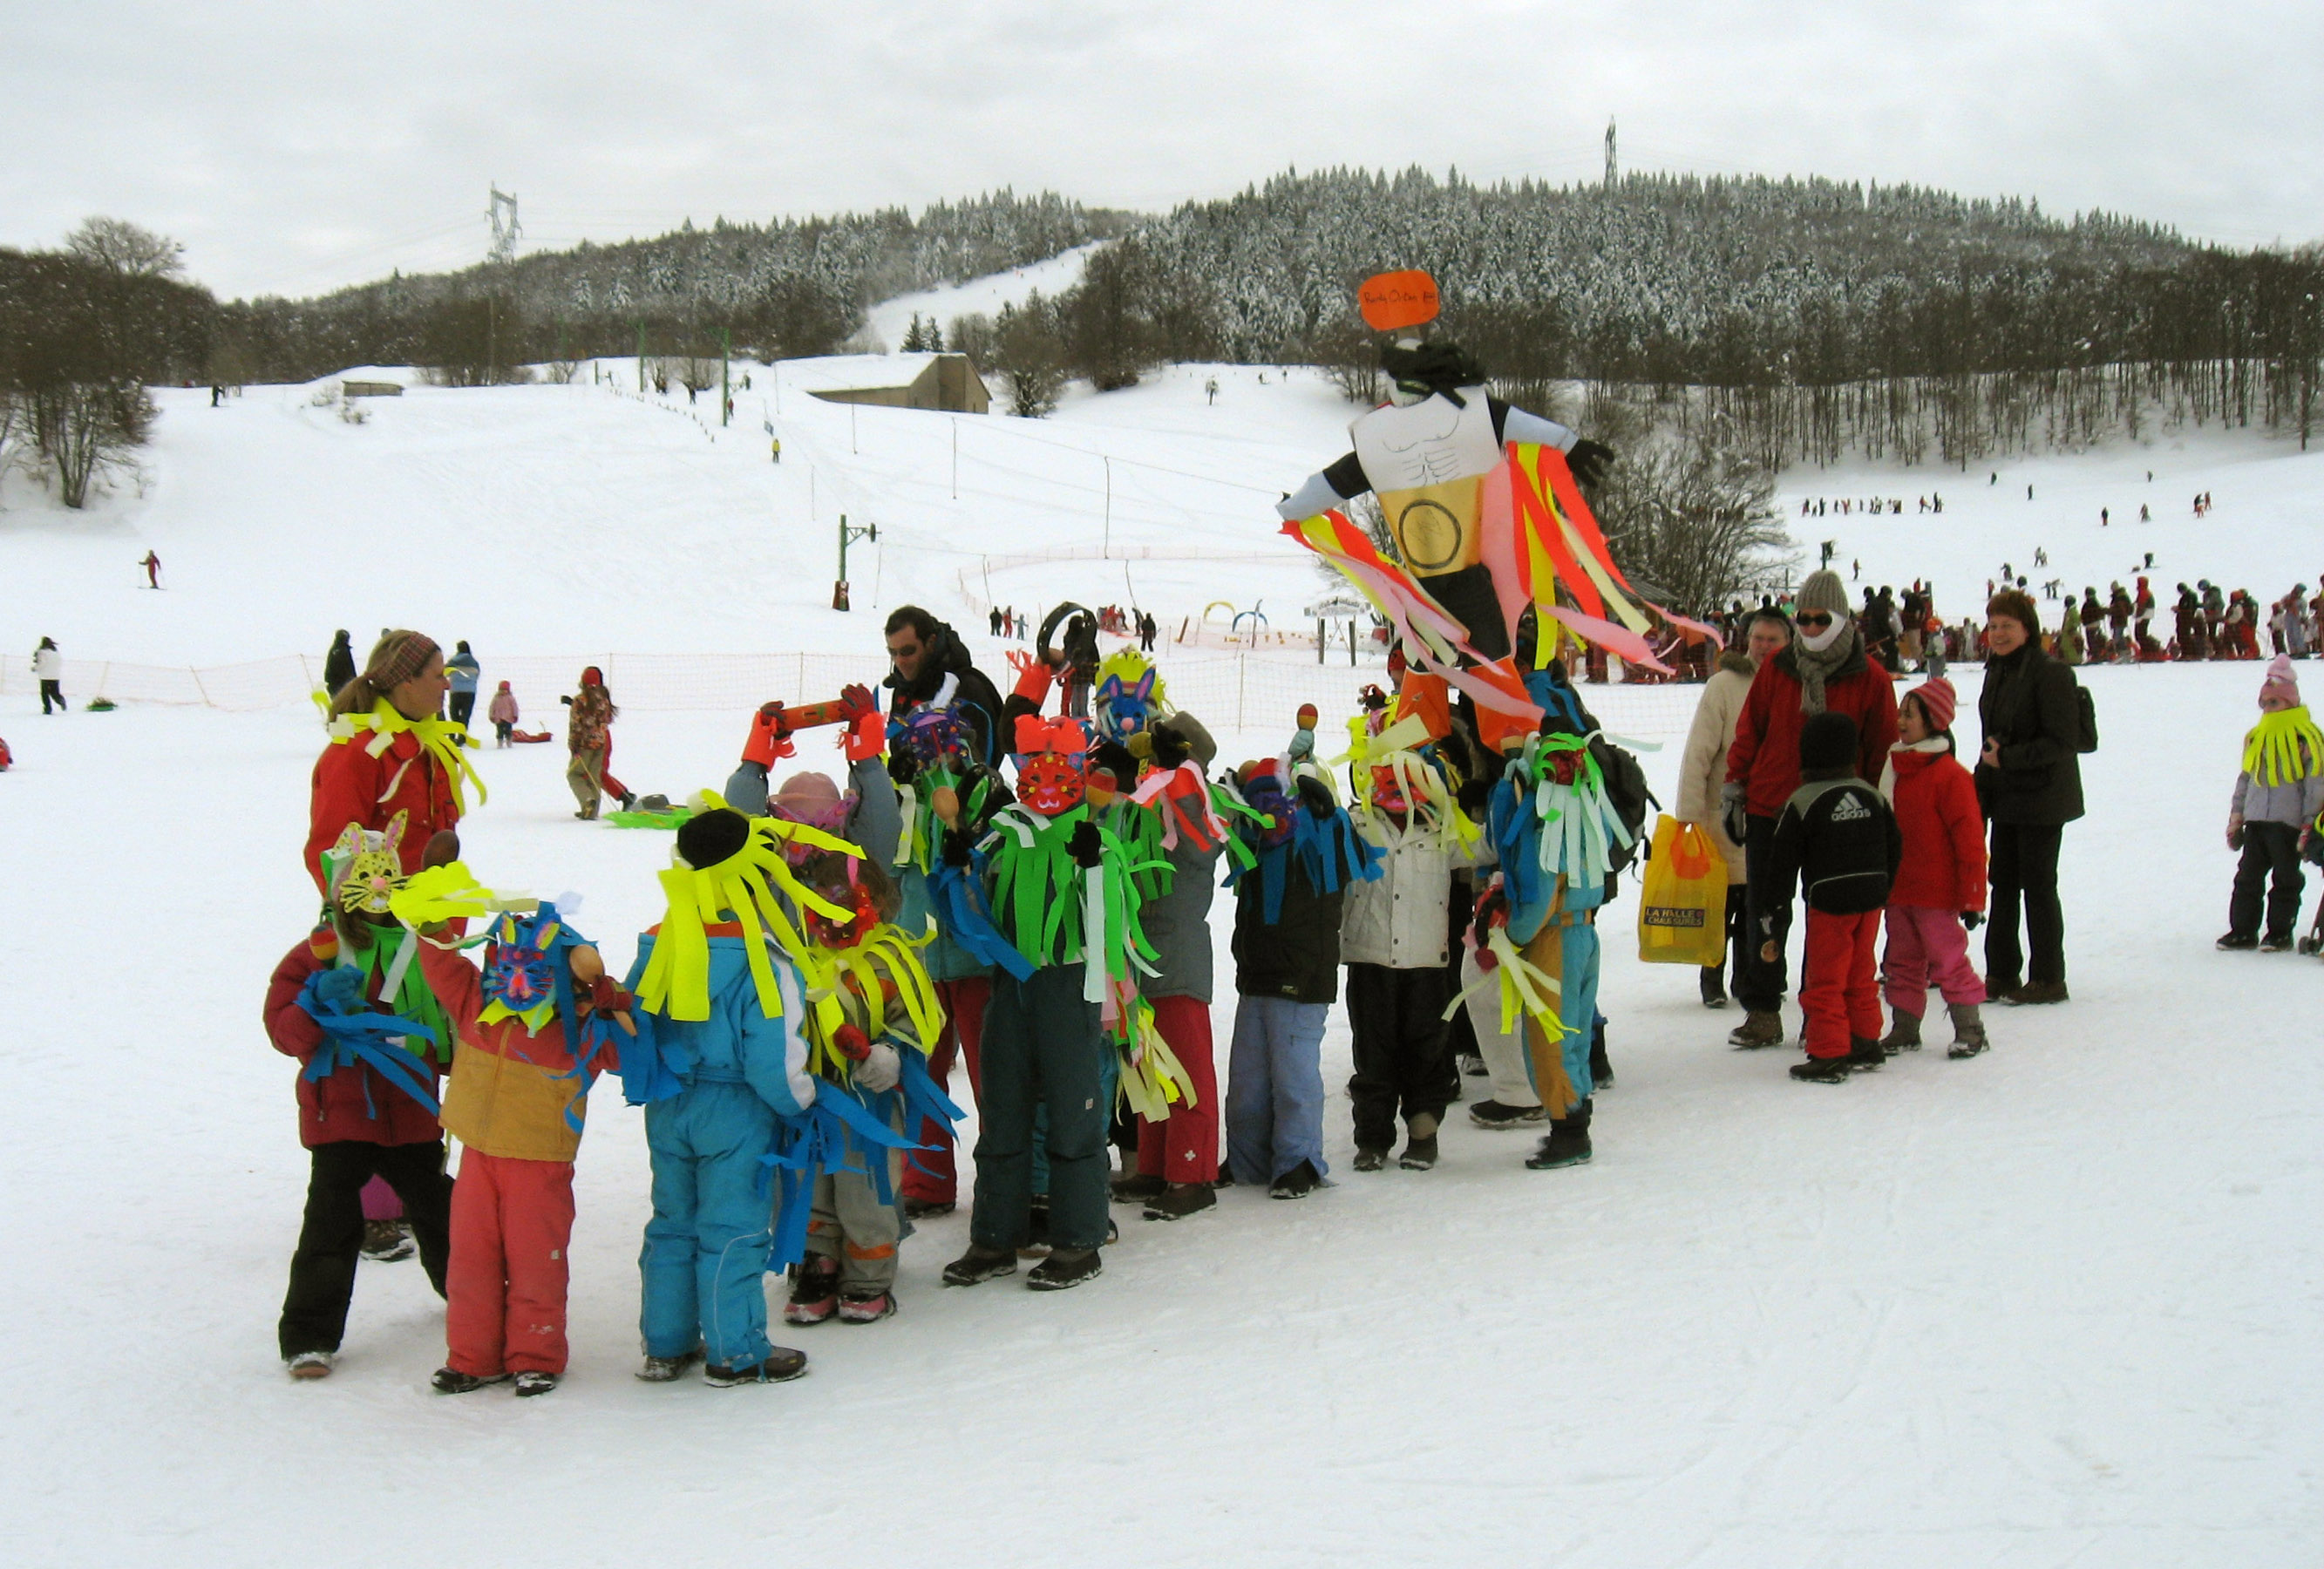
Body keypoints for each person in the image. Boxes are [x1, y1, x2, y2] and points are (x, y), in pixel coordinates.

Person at [624, 809, 823, 1386]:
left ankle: (664, 1344)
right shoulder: (761, 960)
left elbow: (637, 1021)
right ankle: (733, 1350)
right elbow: (773, 1058)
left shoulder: (658, 944)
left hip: (670, 1101)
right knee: (732, 1226)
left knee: (672, 1220)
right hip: (736, 1111)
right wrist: (801, 1103)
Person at [413, 888, 631, 1396]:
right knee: (470, 1259)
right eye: (507, 965)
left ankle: (535, 1354)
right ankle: (472, 1356)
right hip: (478, 1158)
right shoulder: (474, 1005)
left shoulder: (578, 1031)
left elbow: (631, 1050)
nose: (516, 981)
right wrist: (431, 908)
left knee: (536, 1260)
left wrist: (609, 999)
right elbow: (440, 959)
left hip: (540, 1165)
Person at [265, 826, 456, 1378]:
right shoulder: (315, 955)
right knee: (330, 1223)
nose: (376, 888)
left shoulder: (425, 946)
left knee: (440, 1212)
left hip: (414, 1108)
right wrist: (314, 1003)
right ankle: (309, 1336)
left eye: (385, 877)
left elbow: (450, 1019)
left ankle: (471, 1298)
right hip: (341, 1112)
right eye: (362, 879)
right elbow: (284, 1032)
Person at [1719, 571, 1900, 1049]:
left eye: (1822, 619)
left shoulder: (1871, 678)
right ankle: (1763, 1008)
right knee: (1766, 911)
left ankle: (1824, 1009)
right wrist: (1735, 786)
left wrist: (1882, 809)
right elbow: (1750, 730)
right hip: (1772, 809)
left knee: (1830, 919)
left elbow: (1883, 750)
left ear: (1842, 620)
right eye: (1804, 618)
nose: (1812, 627)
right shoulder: (1779, 668)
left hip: (1838, 819)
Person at [780, 852, 954, 1328]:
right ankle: (818, 1265)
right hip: (811, 1099)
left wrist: (891, 1052)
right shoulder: (800, 957)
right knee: (809, 1184)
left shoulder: (895, 955)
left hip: (868, 1101)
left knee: (865, 1188)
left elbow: (923, 1015)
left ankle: (869, 1273)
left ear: (876, 903)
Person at [1220, 753, 1376, 1196]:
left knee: (1294, 1080)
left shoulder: (1321, 835)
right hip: (1254, 975)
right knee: (1246, 1084)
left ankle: (1299, 1162)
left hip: (1302, 978)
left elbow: (1350, 858)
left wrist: (1329, 815)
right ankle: (1248, 1160)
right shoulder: (1253, 844)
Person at [1111, 712, 1227, 1220]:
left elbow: (1202, 843)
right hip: (1141, 964)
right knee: (1150, 1068)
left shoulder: (1199, 810)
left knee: (1188, 1071)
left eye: (1164, 763)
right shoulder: (1145, 809)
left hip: (1178, 961)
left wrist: (1181, 775)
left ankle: (1192, 1172)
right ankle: (1155, 1165)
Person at [1759, 712, 1901, 1083]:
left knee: (1826, 976)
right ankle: (1865, 1039)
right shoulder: (1871, 795)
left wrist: (1774, 904)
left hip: (1830, 900)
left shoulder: (1803, 801)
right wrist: (1884, 886)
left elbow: (1782, 861)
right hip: (1871, 898)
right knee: (1860, 970)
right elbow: (1895, 843)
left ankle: (1829, 1051)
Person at [1974, 590, 2084, 1005]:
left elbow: (2062, 741)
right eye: (1994, 625)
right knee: (2002, 883)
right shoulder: (1998, 671)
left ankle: (2049, 977)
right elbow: (1992, 737)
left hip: (2043, 796)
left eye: (2007, 625)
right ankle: (2001, 972)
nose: (1998, 634)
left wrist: (2009, 759)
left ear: (2028, 628)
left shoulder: (2050, 673)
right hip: (2006, 794)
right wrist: (1985, 776)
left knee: (2038, 885)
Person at [1677, 611, 1788, 1008]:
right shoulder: (1724, 686)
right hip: (1722, 813)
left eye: (1772, 639)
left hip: (1771, 813)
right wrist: (1689, 813)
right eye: (1758, 637)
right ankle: (1712, 976)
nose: (1763, 646)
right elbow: (1699, 752)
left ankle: (1750, 977)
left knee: (1758, 902)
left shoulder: (1791, 685)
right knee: (1722, 903)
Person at [1878, 679, 1990, 1058]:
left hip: (1937, 893)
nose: (1901, 721)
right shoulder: (1893, 769)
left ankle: (1970, 1028)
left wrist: (1973, 895)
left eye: (1910, 715)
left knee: (1947, 959)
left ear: (1934, 722)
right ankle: (1905, 1027)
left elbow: (1971, 842)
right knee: (1901, 961)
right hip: (1899, 890)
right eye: (1901, 713)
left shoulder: (1951, 777)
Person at [2218, 655, 2324, 952]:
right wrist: (2237, 815)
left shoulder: (2304, 738)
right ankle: (2243, 930)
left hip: (2287, 823)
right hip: (2256, 821)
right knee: (2247, 877)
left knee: (2286, 878)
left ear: (2289, 703)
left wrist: (2309, 822)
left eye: (2274, 703)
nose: (2268, 709)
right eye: (2264, 703)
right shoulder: (2258, 738)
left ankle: (2279, 931)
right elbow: (2246, 778)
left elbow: (2315, 782)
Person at [561, 666, 629, 820]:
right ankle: (592, 812)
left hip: (584, 744)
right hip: (601, 743)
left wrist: (573, 745)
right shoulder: (603, 699)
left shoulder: (580, 700)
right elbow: (606, 719)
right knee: (594, 777)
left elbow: (576, 725)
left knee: (574, 775)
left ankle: (587, 801)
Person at [445, 641, 481, 730]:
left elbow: (445, 673)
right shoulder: (474, 663)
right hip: (470, 691)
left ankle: (454, 732)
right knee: (466, 715)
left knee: (454, 713)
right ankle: (462, 736)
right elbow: (477, 676)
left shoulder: (453, 661)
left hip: (456, 690)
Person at [32, 637, 64, 715]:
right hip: (56, 676)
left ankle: (48, 709)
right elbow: (60, 663)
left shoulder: (41, 652)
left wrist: (35, 668)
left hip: (45, 676)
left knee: (45, 694)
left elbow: (42, 663)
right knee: (55, 693)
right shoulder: (56, 652)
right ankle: (60, 700)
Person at [323, 630, 357, 698]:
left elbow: (329, 671)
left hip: (335, 686)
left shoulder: (335, 650)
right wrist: (353, 683)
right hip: (342, 687)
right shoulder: (342, 651)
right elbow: (347, 670)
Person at [486, 681, 518, 746]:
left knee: (508, 730)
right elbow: (492, 707)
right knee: (499, 731)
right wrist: (491, 715)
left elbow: (515, 707)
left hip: (508, 718)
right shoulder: (496, 698)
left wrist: (515, 715)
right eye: (501, 689)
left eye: (505, 690)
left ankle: (509, 741)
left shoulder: (510, 698)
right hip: (498, 718)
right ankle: (500, 742)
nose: (503, 691)